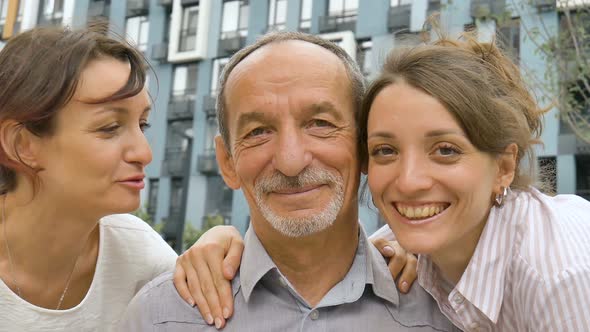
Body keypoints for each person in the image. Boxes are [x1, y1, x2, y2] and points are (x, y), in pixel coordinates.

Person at [179, 34, 590, 331]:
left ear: (503, 167)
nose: (409, 183)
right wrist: (221, 239)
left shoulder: (562, 274)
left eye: (445, 150)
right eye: (386, 151)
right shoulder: (413, 243)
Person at [117, 31, 458, 332]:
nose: (291, 161)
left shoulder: (451, 315)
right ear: (227, 162)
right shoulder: (159, 319)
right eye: (259, 132)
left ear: (364, 143)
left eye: (320, 124)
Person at [0, 23, 214, 331]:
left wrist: (219, 256)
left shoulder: (144, 260)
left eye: (143, 125)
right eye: (109, 128)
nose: (144, 153)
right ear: (23, 145)